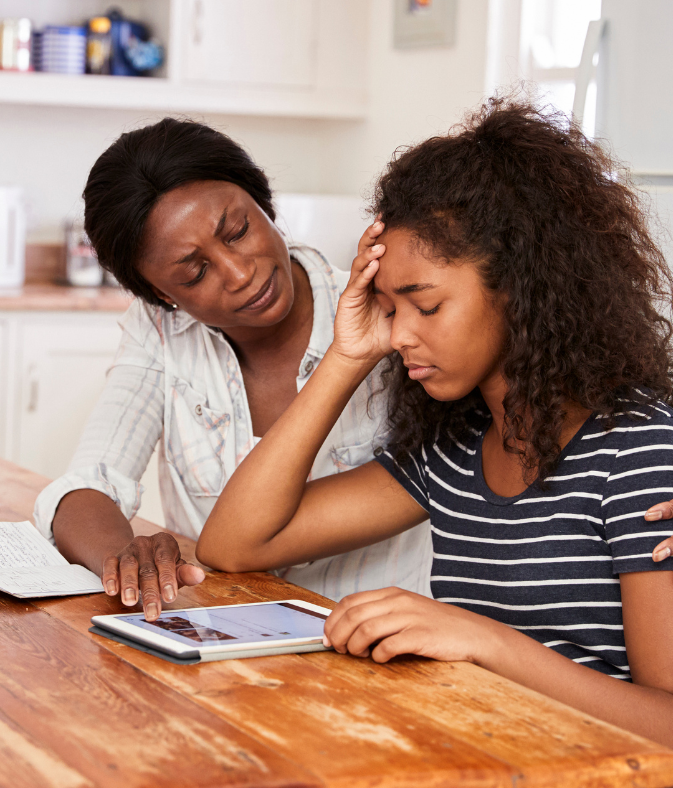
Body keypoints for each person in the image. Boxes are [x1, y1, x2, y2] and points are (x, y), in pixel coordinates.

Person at [196, 98, 673, 746]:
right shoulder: (454, 449)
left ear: (520, 287)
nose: (399, 337)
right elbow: (234, 545)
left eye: (425, 305)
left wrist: (483, 642)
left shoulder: (638, 452)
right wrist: (345, 356)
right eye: (388, 309)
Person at [34, 119, 434, 620]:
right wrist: (123, 556)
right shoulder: (161, 332)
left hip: (371, 654)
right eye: (195, 272)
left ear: (264, 203)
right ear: (163, 295)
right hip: (221, 642)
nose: (241, 273)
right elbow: (88, 484)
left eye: (238, 231)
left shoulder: (384, 315)